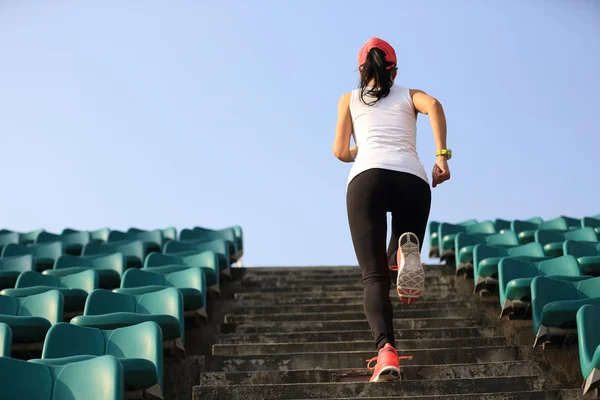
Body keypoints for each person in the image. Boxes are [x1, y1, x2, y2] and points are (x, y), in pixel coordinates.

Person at [332, 37, 451, 382]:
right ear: (394, 70)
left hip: (367, 179)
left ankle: (387, 352)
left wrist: (366, 147)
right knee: (398, 250)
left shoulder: (348, 100)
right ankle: (403, 253)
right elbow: (436, 105)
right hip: (412, 180)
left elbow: (340, 151)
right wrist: (441, 156)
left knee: (373, 277)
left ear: (360, 71)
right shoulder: (410, 94)